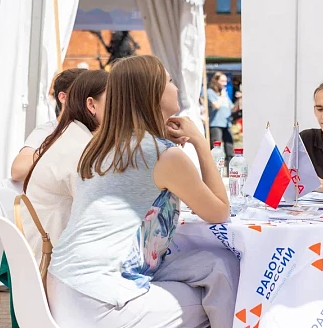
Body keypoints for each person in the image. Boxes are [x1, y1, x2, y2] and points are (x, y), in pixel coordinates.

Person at [47, 55, 238, 328]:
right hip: (101, 303)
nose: (175, 88)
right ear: (153, 93)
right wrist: (199, 141)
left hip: (63, 289)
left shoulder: (100, 146)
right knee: (219, 291)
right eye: (170, 81)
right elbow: (219, 211)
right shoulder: (162, 155)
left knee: (219, 264)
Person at [22, 69, 108, 261]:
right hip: (59, 267)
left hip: (49, 257)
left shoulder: (71, 135)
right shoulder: (79, 149)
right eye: (116, 100)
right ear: (91, 105)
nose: (124, 108)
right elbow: (101, 217)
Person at [10, 68, 84, 182]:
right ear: (63, 97)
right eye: (82, 94)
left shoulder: (94, 130)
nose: (89, 101)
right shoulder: (47, 130)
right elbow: (18, 171)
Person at [207, 72, 237, 161]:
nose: (225, 83)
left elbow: (232, 109)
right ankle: (216, 172)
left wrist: (239, 100)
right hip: (215, 124)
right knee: (216, 150)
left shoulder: (224, 94)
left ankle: (230, 171)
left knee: (230, 149)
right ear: (216, 81)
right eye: (222, 81)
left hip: (227, 124)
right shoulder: (210, 92)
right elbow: (216, 106)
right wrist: (222, 96)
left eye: (225, 81)